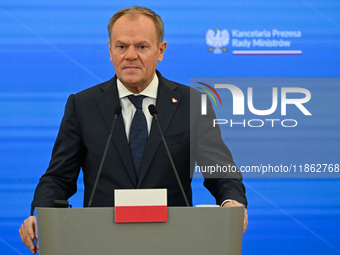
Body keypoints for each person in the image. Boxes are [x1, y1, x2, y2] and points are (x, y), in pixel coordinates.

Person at [19, 6, 248, 254]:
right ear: (110, 50)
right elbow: (58, 177)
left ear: (160, 50)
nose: (130, 55)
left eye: (141, 46)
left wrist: (231, 202)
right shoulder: (83, 105)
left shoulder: (192, 103)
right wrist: (40, 215)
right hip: (100, 243)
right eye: (121, 46)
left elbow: (221, 171)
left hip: (175, 242)